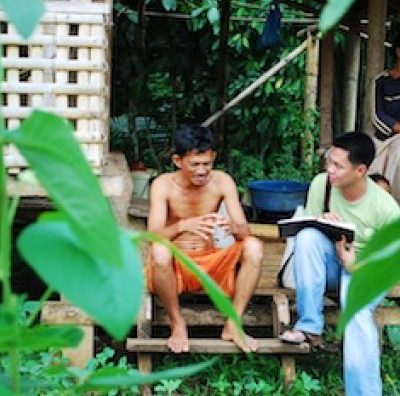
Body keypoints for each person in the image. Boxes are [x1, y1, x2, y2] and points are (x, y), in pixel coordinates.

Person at [279, 132, 400, 395]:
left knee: (355, 313)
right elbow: (307, 228)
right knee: (309, 237)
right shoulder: (321, 185)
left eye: (338, 166)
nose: (329, 170)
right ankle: (310, 326)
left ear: (360, 171)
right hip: (333, 260)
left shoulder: (386, 209)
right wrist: (323, 222)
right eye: (329, 162)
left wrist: (354, 264)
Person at [146, 123, 263, 353]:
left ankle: (233, 323)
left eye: (207, 164)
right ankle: (177, 324)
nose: (202, 171)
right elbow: (152, 235)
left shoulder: (222, 181)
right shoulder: (163, 185)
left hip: (212, 266)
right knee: (159, 251)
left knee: (254, 247)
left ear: (214, 158)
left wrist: (233, 227)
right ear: (178, 161)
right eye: (195, 165)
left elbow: (244, 231)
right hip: (176, 267)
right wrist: (182, 225)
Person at [369, 33, 400, 203]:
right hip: (383, 140)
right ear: (398, 52)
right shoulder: (381, 81)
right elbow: (376, 114)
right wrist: (397, 128)